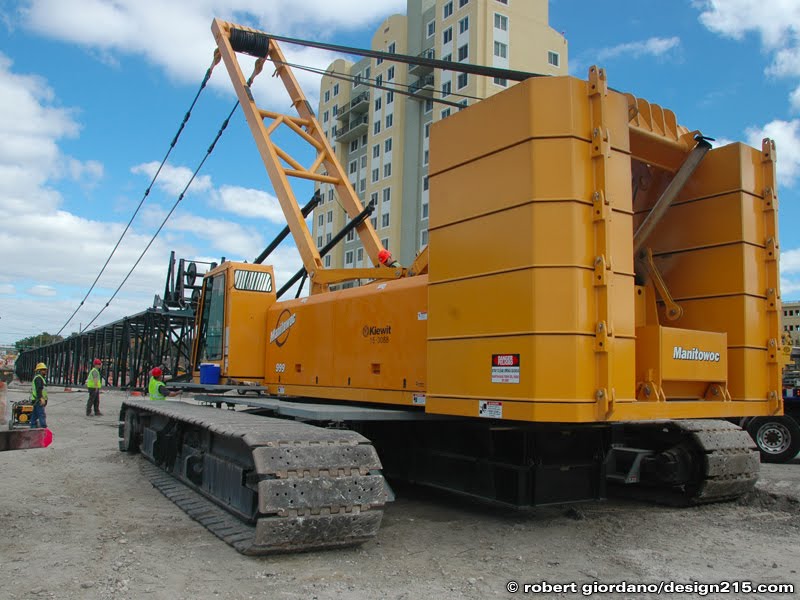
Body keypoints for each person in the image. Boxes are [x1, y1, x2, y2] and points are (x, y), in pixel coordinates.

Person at [30, 362, 48, 429]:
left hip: (36, 399)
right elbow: (39, 389)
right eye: (43, 369)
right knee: (41, 414)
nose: (45, 371)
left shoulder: (40, 378)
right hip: (38, 400)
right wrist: (41, 398)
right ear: (39, 371)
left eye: (45, 369)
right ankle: (43, 429)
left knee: (34, 415)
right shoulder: (38, 378)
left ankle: (33, 428)